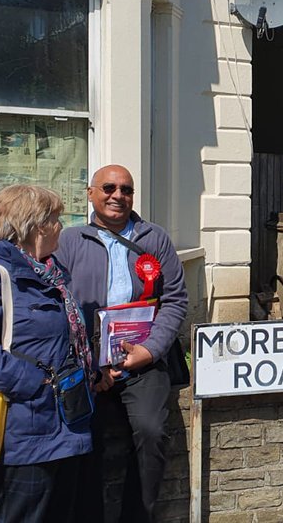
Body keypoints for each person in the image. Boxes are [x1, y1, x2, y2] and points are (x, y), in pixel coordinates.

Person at [54, 164, 188, 523]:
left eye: (126, 190)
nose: (118, 195)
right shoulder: (69, 241)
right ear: (91, 194)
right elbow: (57, 302)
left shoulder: (154, 239)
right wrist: (85, 361)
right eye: (109, 188)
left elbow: (174, 300)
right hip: (88, 363)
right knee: (84, 440)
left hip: (143, 360)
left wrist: (149, 350)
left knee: (151, 432)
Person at [0, 185, 91, 522]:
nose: (61, 227)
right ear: (36, 226)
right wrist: (31, 381)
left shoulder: (52, 275)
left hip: (68, 421)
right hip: (29, 426)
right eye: (56, 219)